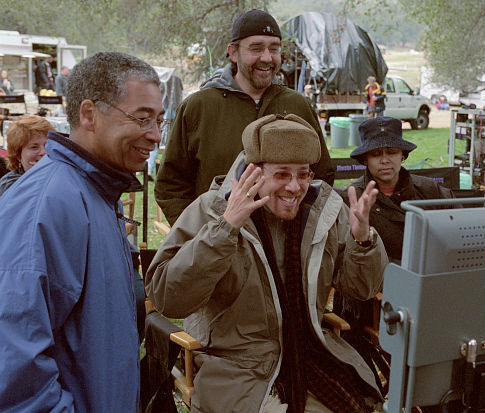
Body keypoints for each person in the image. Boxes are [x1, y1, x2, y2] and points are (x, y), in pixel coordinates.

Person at [146, 113, 388, 413]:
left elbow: (362, 288)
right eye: (282, 175)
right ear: (254, 174)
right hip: (238, 370)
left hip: (312, 354)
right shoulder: (212, 211)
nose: (295, 187)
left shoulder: (322, 212)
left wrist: (363, 242)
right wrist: (226, 229)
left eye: (303, 174)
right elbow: (169, 298)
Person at [0, 52, 164, 412]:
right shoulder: (46, 205)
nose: (154, 135)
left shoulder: (99, 193)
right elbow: (15, 372)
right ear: (89, 114)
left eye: (159, 120)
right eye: (142, 118)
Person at [155, 9, 335, 226]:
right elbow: (170, 186)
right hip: (220, 247)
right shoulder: (198, 107)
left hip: (287, 250)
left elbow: (322, 175)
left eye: (274, 49)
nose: (267, 58)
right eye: (256, 48)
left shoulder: (298, 106)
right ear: (233, 52)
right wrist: (199, 234)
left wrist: (302, 227)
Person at [333, 116, 456, 403]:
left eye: (391, 152)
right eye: (376, 154)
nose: (385, 160)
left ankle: (446, 394)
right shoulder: (351, 200)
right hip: (375, 300)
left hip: (431, 290)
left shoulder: (433, 192)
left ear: (403, 154)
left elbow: (457, 234)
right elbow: (348, 264)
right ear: (365, 159)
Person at [0, 115, 54, 196]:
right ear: (18, 154)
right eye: (34, 147)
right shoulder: (10, 185)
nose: (44, 152)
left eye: (47, 145)